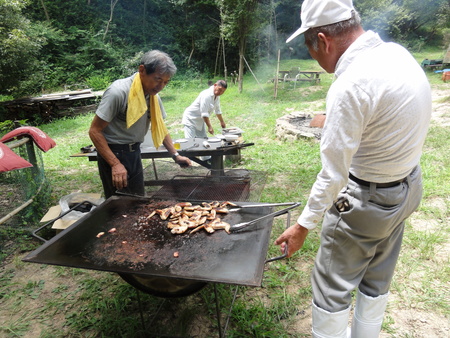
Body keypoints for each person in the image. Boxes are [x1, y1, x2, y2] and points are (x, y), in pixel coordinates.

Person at [274, 1, 432, 337]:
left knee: (332, 287)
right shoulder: (396, 54)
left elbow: (333, 175)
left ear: (324, 40)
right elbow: (389, 115)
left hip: (367, 203)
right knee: (376, 278)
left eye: (310, 48)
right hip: (407, 188)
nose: (313, 55)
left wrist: (302, 226)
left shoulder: (350, 86)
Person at [89, 50, 191, 199]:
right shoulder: (118, 92)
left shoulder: (152, 95)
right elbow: (94, 131)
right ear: (142, 70)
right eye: (157, 79)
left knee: (137, 200)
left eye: (166, 82)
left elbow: (160, 127)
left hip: (134, 152)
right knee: (119, 204)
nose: (161, 86)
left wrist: (175, 155)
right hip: (113, 153)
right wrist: (115, 164)